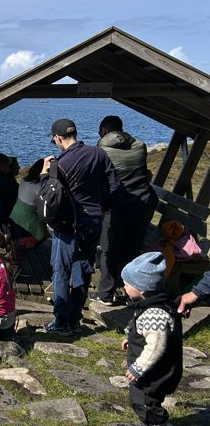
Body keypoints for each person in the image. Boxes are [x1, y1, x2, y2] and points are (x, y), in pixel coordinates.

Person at [42, 119, 119, 336]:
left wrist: (44, 174)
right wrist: (101, 206)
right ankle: (75, 318)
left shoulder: (60, 163)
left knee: (61, 270)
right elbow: (114, 185)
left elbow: (49, 197)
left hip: (68, 224)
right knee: (83, 267)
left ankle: (61, 321)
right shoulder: (99, 153)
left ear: (58, 138)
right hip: (94, 220)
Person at [94, 115, 158, 305]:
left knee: (108, 251)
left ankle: (106, 294)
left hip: (116, 207)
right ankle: (133, 294)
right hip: (141, 205)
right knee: (132, 250)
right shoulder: (140, 146)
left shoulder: (101, 151)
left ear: (104, 130)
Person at [120, 252, 182, 426]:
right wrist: (130, 337)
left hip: (153, 373)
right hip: (151, 371)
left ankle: (158, 423)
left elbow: (156, 346)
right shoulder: (151, 304)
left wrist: (139, 368)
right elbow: (142, 328)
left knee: (145, 404)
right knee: (145, 401)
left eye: (127, 284)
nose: (124, 287)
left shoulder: (154, 314)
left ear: (141, 289)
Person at [9, 158, 47, 246]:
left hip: (16, 213)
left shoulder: (25, 180)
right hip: (28, 219)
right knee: (42, 234)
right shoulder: (39, 187)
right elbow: (45, 206)